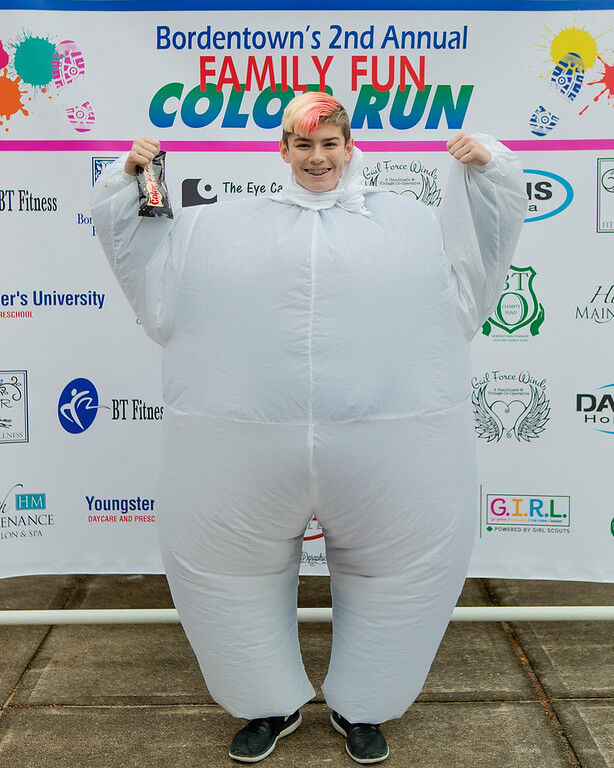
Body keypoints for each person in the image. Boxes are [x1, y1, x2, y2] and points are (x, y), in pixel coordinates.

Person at [91, 91, 527, 765]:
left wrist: (489, 170)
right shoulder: (223, 228)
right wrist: (128, 183)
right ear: (283, 150)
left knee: (400, 571)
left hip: (390, 444)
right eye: (303, 144)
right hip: (242, 448)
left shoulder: (409, 225)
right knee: (226, 571)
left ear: (349, 147)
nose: (317, 157)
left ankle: (366, 709)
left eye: (329, 144)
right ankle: (264, 705)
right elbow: (150, 271)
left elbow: (482, 255)